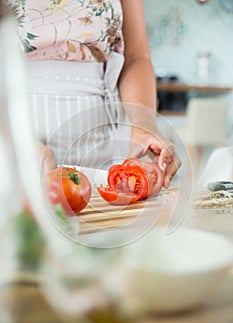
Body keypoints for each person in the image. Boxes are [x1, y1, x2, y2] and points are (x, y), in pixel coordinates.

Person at [8, 0, 181, 188]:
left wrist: (144, 125)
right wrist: (9, 139)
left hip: (104, 142)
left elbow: (136, 58)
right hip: (15, 138)